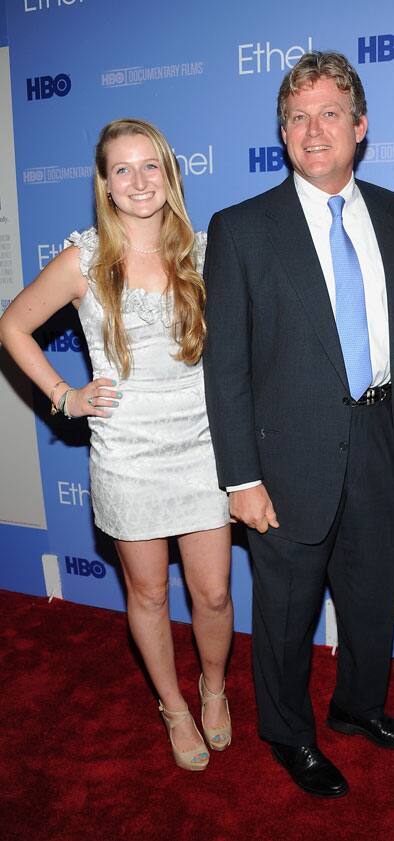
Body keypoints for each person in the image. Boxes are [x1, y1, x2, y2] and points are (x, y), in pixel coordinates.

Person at [203, 52, 394, 798]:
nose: (312, 128)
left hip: (383, 442)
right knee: (287, 613)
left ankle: (359, 706)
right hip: (285, 458)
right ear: (283, 132)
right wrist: (239, 476)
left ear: (360, 128)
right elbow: (223, 365)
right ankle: (288, 734)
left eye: (330, 112)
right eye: (297, 116)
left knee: (369, 598)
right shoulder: (240, 229)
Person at [0, 118, 233, 771]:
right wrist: (64, 396)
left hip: (201, 445)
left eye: (149, 166)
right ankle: (172, 705)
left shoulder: (205, 250)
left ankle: (213, 689)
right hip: (126, 452)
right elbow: (13, 325)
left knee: (213, 592)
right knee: (150, 593)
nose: (137, 181)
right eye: (122, 169)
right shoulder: (85, 258)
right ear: (104, 182)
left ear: (170, 174)